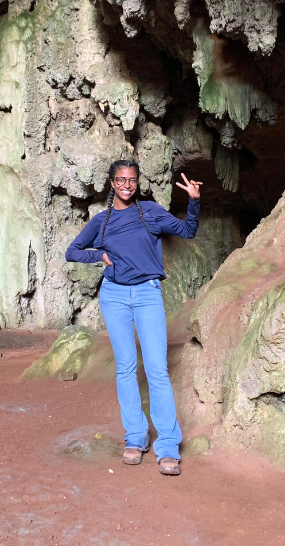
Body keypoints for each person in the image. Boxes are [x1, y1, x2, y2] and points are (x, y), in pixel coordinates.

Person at [65, 161, 203, 477]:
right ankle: (136, 437)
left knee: (156, 369)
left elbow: (187, 230)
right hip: (114, 297)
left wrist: (194, 202)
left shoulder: (150, 212)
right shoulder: (100, 222)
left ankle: (168, 446)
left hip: (147, 295)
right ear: (112, 183)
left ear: (137, 184)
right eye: (121, 179)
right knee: (126, 368)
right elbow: (72, 251)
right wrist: (97, 255)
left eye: (132, 179)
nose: (127, 184)